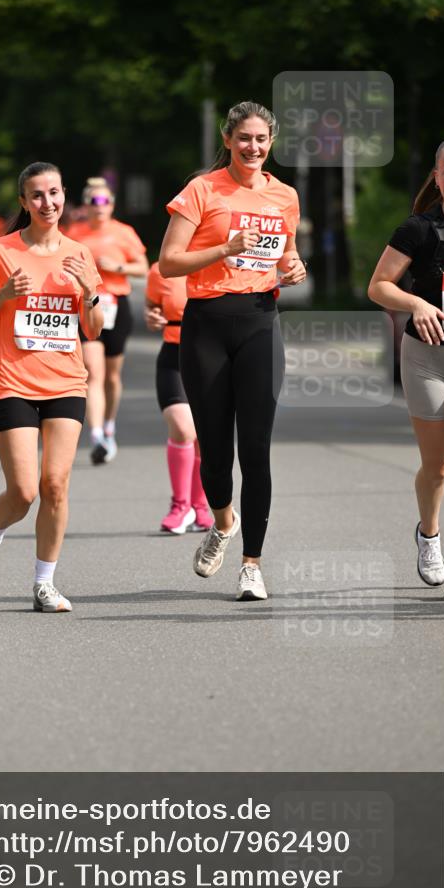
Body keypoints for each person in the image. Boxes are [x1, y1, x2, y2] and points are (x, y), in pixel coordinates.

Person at [159, 100, 306, 600]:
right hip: (206, 326)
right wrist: (224, 248)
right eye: (244, 138)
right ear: (227, 140)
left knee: (257, 449)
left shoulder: (285, 196)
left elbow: (286, 254)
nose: (253, 147)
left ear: (271, 143)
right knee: (216, 452)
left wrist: (294, 267)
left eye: (262, 139)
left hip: (261, 321)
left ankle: (252, 564)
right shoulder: (202, 191)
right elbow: (169, 263)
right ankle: (223, 521)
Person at [0, 162, 103, 613]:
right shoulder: (0, 251)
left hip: (64, 381)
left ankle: (45, 583)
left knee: (55, 485)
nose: (48, 203)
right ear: (24, 202)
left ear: (65, 197)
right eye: (37, 195)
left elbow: (94, 330)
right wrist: (3, 295)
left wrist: (88, 293)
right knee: (23, 491)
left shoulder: (80, 254)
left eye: (55, 193)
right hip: (12, 382)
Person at [368, 137, 444, 596]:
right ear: (437, 177)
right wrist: (415, 304)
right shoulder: (418, 229)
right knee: (438, 467)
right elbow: (379, 286)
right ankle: (428, 533)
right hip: (427, 358)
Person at [66, 177, 148, 464]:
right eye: (93, 201)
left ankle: (109, 426)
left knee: (112, 376)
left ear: (112, 205)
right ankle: (97, 435)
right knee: (92, 371)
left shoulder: (124, 233)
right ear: (85, 206)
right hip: (87, 305)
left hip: (117, 305)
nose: (99, 207)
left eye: (104, 201)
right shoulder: (74, 233)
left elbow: (143, 267)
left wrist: (119, 267)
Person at [145, 261, 212, 534]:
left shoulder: (222, 262)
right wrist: (152, 316)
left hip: (213, 357)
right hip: (174, 356)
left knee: (205, 436)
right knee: (183, 428)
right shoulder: (161, 269)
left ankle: (202, 507)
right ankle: (180, 506)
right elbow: (151, 306)